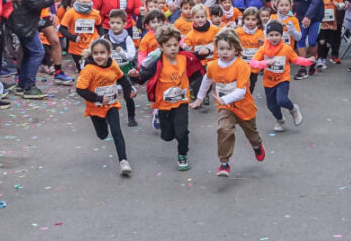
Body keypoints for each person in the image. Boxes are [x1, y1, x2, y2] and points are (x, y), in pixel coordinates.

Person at [189, 29, 265, 177]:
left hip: (244, 107)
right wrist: (199, 98)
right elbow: (207, 79)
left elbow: (242, 91)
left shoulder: (242, 66)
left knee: (252, 134)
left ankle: (257, 146)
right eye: (221, 48)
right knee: (224, 130)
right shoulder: (212, 66)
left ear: (236, 49)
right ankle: (224, 163)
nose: (224, 52)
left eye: (228, 49)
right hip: (225, 107)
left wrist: (224, 98)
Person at [138, 24, 199, 171]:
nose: (173, 48)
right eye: (168, 45)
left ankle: (182, 155)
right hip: (164, 104)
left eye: (175, 45)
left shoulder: (184, 57)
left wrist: (206, 51)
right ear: (161, 47)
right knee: (167, 136)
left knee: (182, 131)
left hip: (181, 102)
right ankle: (158, 116)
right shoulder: (158, 61)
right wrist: (135, 77)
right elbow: (143, 76)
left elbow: (197, 63)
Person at [75, 39, 137, 175]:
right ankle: (102, 123)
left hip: (111, 104)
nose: (99, 56)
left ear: (109, 53)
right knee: (103, 135)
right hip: (95, 107)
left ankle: (123, 161)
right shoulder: (89, 69)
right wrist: (98, 98)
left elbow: (122, 78)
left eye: (102, 53)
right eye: (95, 53)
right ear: (91, 54)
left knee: (116, 130)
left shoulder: (113, 64)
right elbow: (80, 89)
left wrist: (129, 90)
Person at [8, 0, 62, 98]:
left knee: (29, 52)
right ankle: (29, 86)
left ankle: (23, 85)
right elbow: (33, 5)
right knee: (38, 52)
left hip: (23, 22)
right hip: (24, 23)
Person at [248, 20, 312, 132]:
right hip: (268, 80)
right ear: (267, 36)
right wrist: (265, 63)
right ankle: (280, 119)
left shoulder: (286, 49)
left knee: (281, 100)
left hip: (283, 79)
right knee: (271, 106)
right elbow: (252, 63)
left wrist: (308, 61)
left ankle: (293, 109)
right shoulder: (263, 49)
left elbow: (296, 59)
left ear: (281, 35)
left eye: (277, 35)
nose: (274, 38)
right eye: (271, 35)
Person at [279, 0, 322, 79]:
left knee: (312, 41)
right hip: (300, 13)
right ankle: (303, 68)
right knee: (301, 39)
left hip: (315, 14)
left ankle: (313, 63)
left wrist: (309, 16)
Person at [101, 9, 139, 127]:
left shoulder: (127, 39)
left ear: (124, 24)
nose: (115, 25)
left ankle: (131, 117)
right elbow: (99, 52)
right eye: (112, 22)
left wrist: (121, 52)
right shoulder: (105, 37)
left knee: (128, 96)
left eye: (118, 23)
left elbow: (131, 56)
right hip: (110, 71)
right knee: (109, 95)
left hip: (125, 70)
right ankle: (107, 116)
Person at [316, 0, 343, 71]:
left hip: (332, 23)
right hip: (322, 23)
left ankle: (323, 58)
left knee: (328, 42)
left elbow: (342, 5)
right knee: (321, 41)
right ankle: (319, 59)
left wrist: (337, 4)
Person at [236, 7, 265, 93]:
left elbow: (263, 49)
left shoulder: (260, 32)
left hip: (253, 65)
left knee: (251, 84)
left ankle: (248, 100)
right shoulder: (238, 31)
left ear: (257, 21)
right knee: (241, 84)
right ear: (243, 20)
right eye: (247, 19)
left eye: (253, 19)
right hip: (241, 64)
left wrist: (262, 44)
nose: (250, 22)